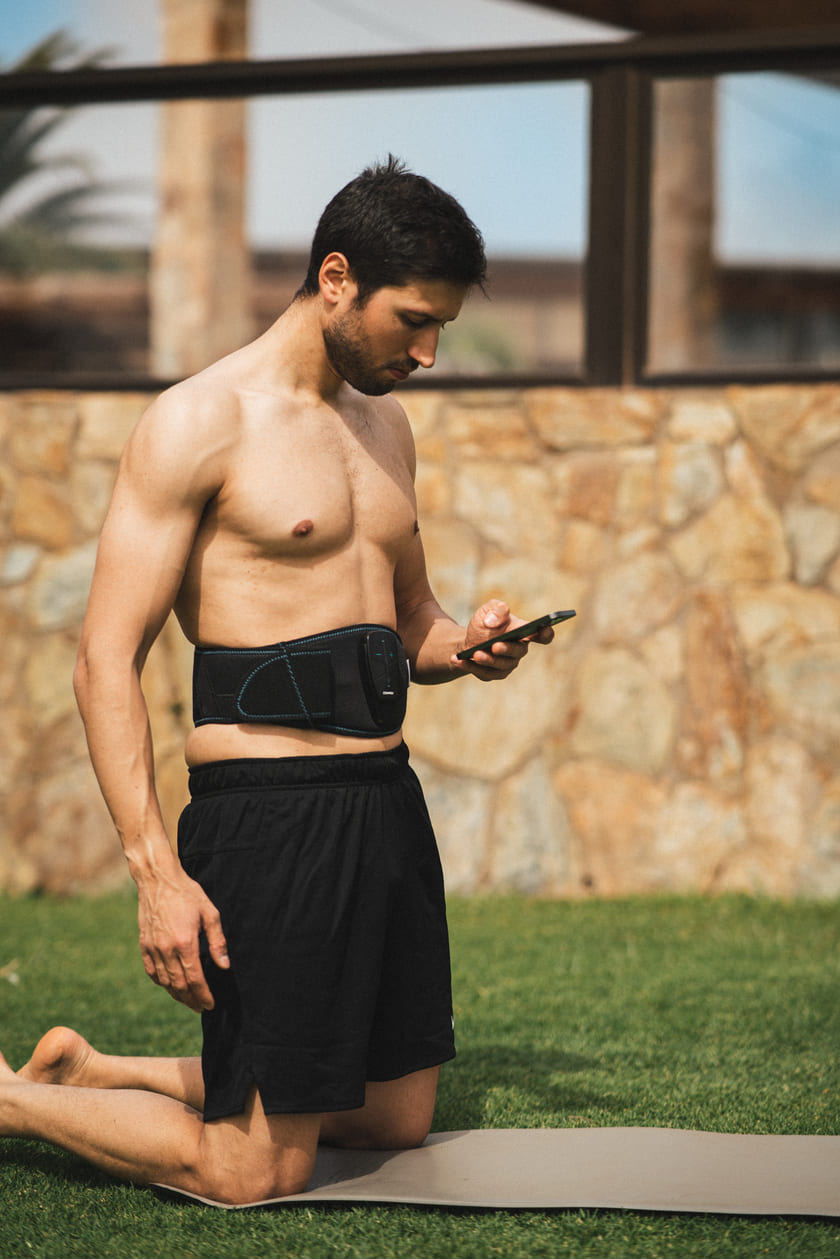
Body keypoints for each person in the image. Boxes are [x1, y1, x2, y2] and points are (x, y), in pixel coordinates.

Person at [0, 157, 554, 1205]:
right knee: (254, 1168)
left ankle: (91, 1068)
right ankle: (12, 1098)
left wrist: (470, 641)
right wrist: (154, 870)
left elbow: (411, 624)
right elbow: (102, 658)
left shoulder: (385, 427)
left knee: (393, 1115)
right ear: (337, 277)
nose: (430, 352)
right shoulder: (199, 422)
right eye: (414, 320)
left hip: (383, 802)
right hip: (269, 814)